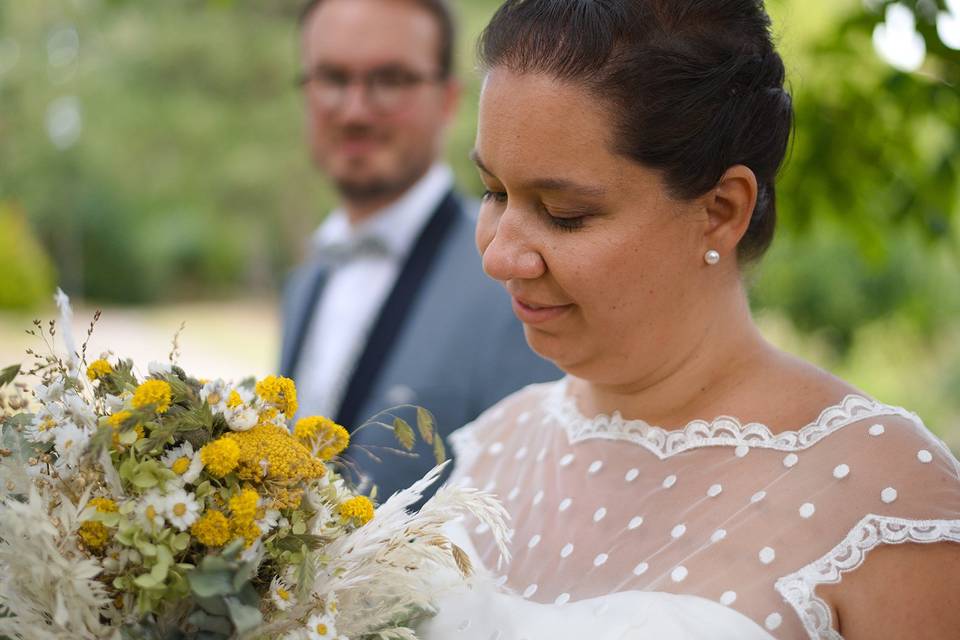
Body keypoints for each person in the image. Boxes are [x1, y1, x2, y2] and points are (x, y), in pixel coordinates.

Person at [419, 1, 960, 638]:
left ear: (722, 210)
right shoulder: (496, 445)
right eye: (495, 192)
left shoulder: (884, 497)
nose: (499, 255)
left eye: (564, 212)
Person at [280, 0, 557, 501]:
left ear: (449, 101)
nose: (355, 110)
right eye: (332, 78)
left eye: (390, 80)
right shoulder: (306, 279)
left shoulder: (516, 275)